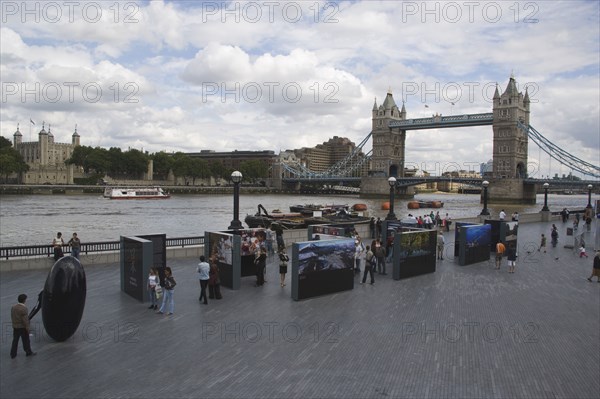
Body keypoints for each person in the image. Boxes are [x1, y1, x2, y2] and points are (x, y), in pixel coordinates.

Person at [10, 294, 36, 358]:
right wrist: (28, 329)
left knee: (15, 341)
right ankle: (28, 352)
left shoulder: (13, 307)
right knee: (26, 340)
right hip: (22, 327)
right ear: (24, 300)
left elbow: (12, 316)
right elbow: (25, 320)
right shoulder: (24, 309)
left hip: (15, 327)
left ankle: (13, 354)